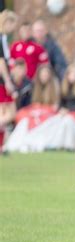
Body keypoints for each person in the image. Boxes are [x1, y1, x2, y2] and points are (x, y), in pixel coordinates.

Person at [0, 10, 17, 153]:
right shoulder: (1, 38)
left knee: (3, 113)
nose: (13, 28)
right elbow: (1, 62)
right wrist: (7, 81)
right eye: (13, 24)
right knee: (10, 113)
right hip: (1, 81)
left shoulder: (4, 39)